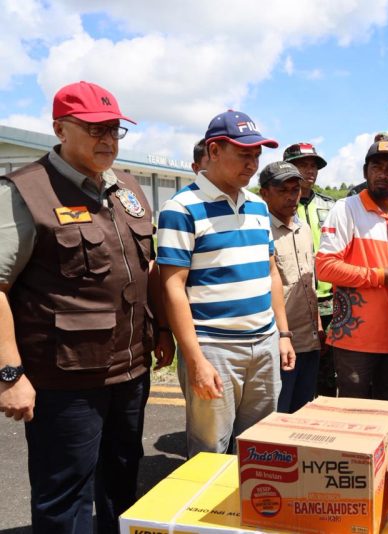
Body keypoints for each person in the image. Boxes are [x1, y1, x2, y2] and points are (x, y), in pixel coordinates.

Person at [0, 81, 174, 534]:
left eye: (114, 129)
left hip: (131, 371)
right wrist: (10, 374)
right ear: (60, 129)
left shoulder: (127, 187)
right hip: (66, 379)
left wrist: (162, 330)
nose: (108, 139)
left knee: (122, 478)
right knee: (65, 495)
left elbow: (146, 265)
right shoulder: (25, 191)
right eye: (95, 129)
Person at [158, 110, 295, 457]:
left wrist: (282, 334)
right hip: (214, 347)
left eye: (257, 155)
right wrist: (195, 360)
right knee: (209, 450)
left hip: (264, 344)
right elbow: (173, 288)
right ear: (215, 150)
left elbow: (271, 273)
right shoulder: (181, 209)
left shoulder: (259, 207)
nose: (252, 164)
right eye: (244, 154)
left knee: (260, 448)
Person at [316, 138, 388, 400]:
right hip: (354, 341)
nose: (383, 174)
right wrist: (383, 276)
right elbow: (325, 268)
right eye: (377, 167)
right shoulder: (345, 209)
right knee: (354, 416)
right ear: (366, 172)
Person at [259, 161, 321, 413]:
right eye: (282, 190)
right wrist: (281, 335)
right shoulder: (260, 231)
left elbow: (310, 280)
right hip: (279, 342)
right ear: (264, 193)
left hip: (309, 339)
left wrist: (317, 323)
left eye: (295, 190)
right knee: (278, 414)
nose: (291, 196)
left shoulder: (303, 228)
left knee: (303, 412)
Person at [282, 142, 336, 397]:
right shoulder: (274, 207)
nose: (310, 170)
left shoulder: (331, 206)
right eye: (302, 165)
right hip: (292, 301)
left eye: (313, 165)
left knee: (328, 372)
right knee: (293, 371)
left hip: (329, 301)